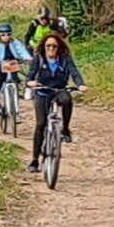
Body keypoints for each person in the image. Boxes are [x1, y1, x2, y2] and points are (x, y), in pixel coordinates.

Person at [27, 33, 86, 173]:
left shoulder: (65, 59)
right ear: (44, 47)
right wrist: (30, 82)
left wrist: (81, 84)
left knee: (67, 100)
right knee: (41, 124)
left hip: (59, 89)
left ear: (59, 47)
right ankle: (35, 160)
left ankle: (65, 129)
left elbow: (74, 72)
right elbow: (30, 75)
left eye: (54, 46)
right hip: (43, 91)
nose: (51, 49)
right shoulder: (39, 59)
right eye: (48, 46)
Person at [0, 22, 32, 106]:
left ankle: (15, 104)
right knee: (1, 75)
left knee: (15, 80)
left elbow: (21, 50)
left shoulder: (14, 42)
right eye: (3, 34)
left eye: (8, 34)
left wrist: (27, 57)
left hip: (11, 63)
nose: (6, 36)